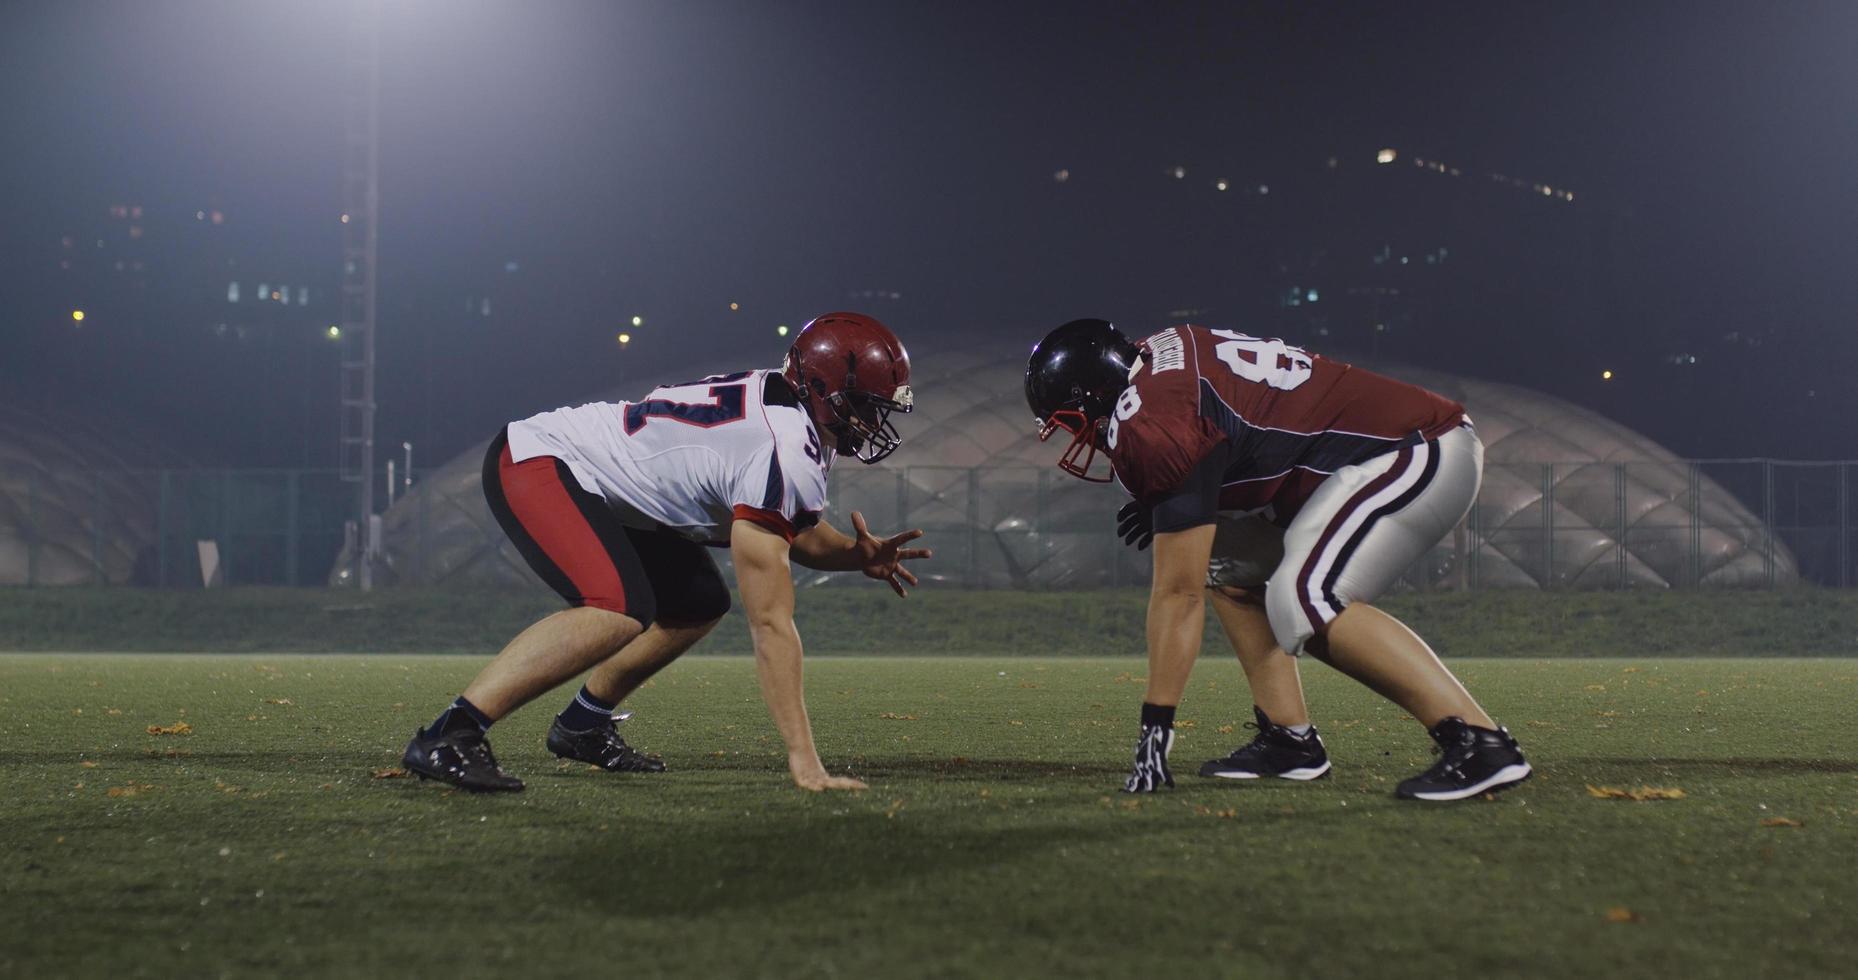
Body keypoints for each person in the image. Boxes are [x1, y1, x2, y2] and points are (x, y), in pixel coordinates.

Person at [403, 312, 929, 793]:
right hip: (544, 460)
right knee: (615, 607)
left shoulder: (794, 419)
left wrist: (855, 555)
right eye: (861, 405)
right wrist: (804, 760)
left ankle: (583, 724)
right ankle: (452, 734)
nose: (868, 421)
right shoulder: (783, 446)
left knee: (696, 602)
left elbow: (793, 530)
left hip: (614, 492)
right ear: (821, 388)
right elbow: (770, 622)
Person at [1024, 319, 1530, 801]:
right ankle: (1290, 739)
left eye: (1071, 422)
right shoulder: (1162, 358)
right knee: (1226, 567)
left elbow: (1177, 596)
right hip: (1362, 461)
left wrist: (1156, 726)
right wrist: (1181, 492)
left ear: (1093, 396)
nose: (1080, 437)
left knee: (1305, 597)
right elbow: (1238, 430)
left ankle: (1479, 741)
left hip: (1416, 449)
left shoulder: (1153, 419)